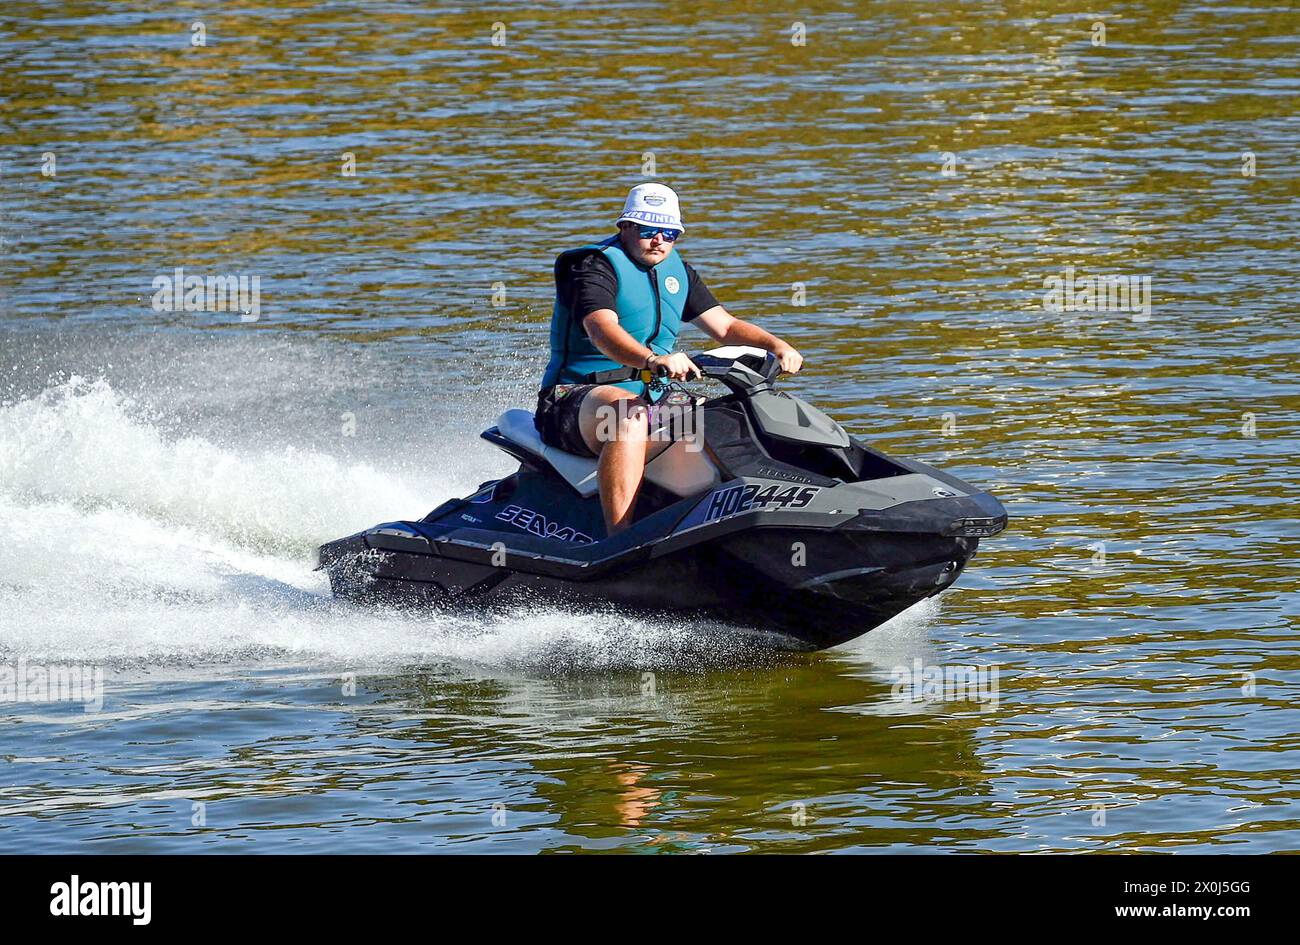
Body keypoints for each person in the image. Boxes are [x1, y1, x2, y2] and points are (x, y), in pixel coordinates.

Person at [536, 183, 802, 534]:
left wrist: (777, 345)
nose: (659, 240)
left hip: (655, 397)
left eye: (669, 233)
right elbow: (600, 328)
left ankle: (761, 515)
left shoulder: (678, 272)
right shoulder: (592, 266)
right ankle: (619, 539)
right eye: (648, 230)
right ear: (625, 227)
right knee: (629, 417)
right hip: (572, 399)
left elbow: (725, 327)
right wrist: (650, 360)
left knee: (733, 415)